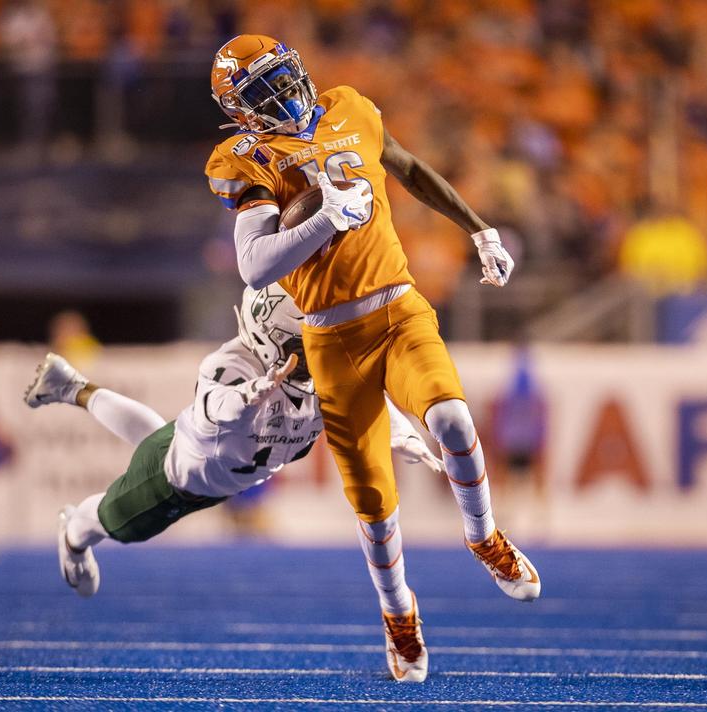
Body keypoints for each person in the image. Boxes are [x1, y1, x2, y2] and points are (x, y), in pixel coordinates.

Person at [204, 34, 541, 682]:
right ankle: (400, 615)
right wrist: (325, 217)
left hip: (400, 308)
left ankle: (485, 537)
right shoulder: (246, 158)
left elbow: (408, 167)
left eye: (280, 77)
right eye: (259, 91)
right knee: (375, 504)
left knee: (453, 423)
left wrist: (477, 226)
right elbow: (253, 266)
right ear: (238, 112)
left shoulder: (351, 107)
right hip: (330, 337)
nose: (279, 95)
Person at [24, 283, 444, 598]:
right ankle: (73, 533)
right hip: (176, 483)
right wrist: (247, 396)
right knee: (121, 526)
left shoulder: (316, 371)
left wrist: (401, 432)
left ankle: (72, 387)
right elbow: (214, 407)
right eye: (311, 343)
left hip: (203, 463)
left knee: (155, 441)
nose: (325, 351)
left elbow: (359, 393)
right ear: (273, 338)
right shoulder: (232, 364)